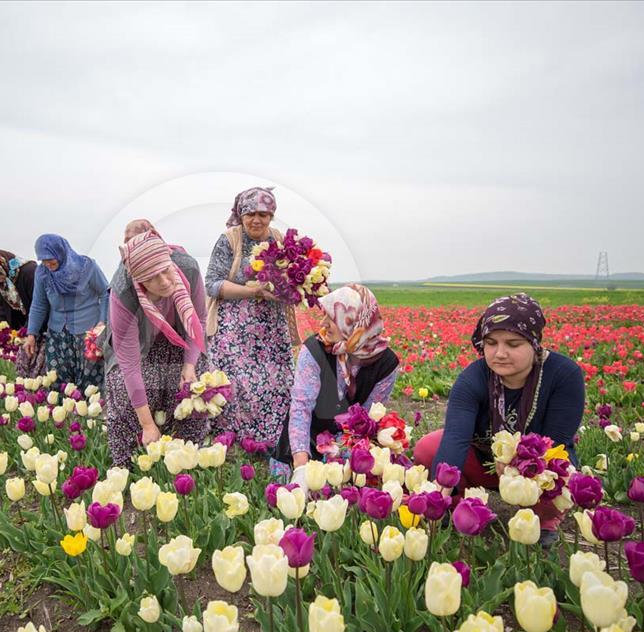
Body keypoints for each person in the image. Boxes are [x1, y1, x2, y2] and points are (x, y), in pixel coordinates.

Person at [413, 293, 585, 547]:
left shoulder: (564, 375)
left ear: (534, 343)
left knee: (561, 471)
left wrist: (520, 463)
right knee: (429, 448)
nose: (499, 353)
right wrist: (439, 495)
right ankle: (460, 507)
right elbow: (456, 438)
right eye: (491, 343)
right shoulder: (474, 377)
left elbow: (557, 441)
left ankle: (543, 521)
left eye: (513, 344)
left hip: (536, 467)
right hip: (485, 462)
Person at [270, 284, 400, 481]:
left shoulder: (386, 363)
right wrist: (301, 466)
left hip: (349, 440)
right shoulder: (315, 350)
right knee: (292, 485)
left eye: (332, 318)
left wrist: (338, 451)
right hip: (307, 438)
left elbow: (367, 420)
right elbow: (300, 409)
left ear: (355, 321)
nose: (323, 324)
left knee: (357, 479)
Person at [103, 229, 210, 466]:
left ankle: (186, 461)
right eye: (151, 278)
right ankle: (128, 467)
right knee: (123, 389)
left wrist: (190, 365)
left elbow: (199, 319)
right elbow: (129, 363)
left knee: (192, 390)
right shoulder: (123, 291)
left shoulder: (189, 269)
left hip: (182, 338)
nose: (163, 281)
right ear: (139, 280)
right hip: (140, 345)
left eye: (165, 270)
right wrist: (147, 424)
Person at [204, 186, 298, 444]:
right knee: (240, 383)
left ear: (272, 216)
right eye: (250, 214)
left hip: (272, 328)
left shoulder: (279, 239)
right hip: (235, 329)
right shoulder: (229, 239)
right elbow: (211, 283)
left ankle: (275, 435)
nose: (257, 220)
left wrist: (286, 289)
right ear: (240, 214)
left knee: (275, 379)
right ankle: (234, 436)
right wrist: (251, 290)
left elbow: (292, 280)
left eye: (263, 214)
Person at [24, 234, 108, 390]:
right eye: (43, 260)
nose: (47, 264)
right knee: (58, 382)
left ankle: (89, 413)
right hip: (58, 335)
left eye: (51, 259)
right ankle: (65, 413)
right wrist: (31, 334)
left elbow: (105, 293)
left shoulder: (87, 267)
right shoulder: (42, 273)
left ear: (60, 252)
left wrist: (102, 323)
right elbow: (39, 304)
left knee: (90, 382)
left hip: (87, 332)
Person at [0, 248, 44, 378]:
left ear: (1, 264)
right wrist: (0, 337)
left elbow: (38, 305)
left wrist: (30, 331)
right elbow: (3, 311)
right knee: (23, 370)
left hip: (41, 327)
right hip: (24, 331)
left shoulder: (30, 272)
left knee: (39, 371)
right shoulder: (2, 284)